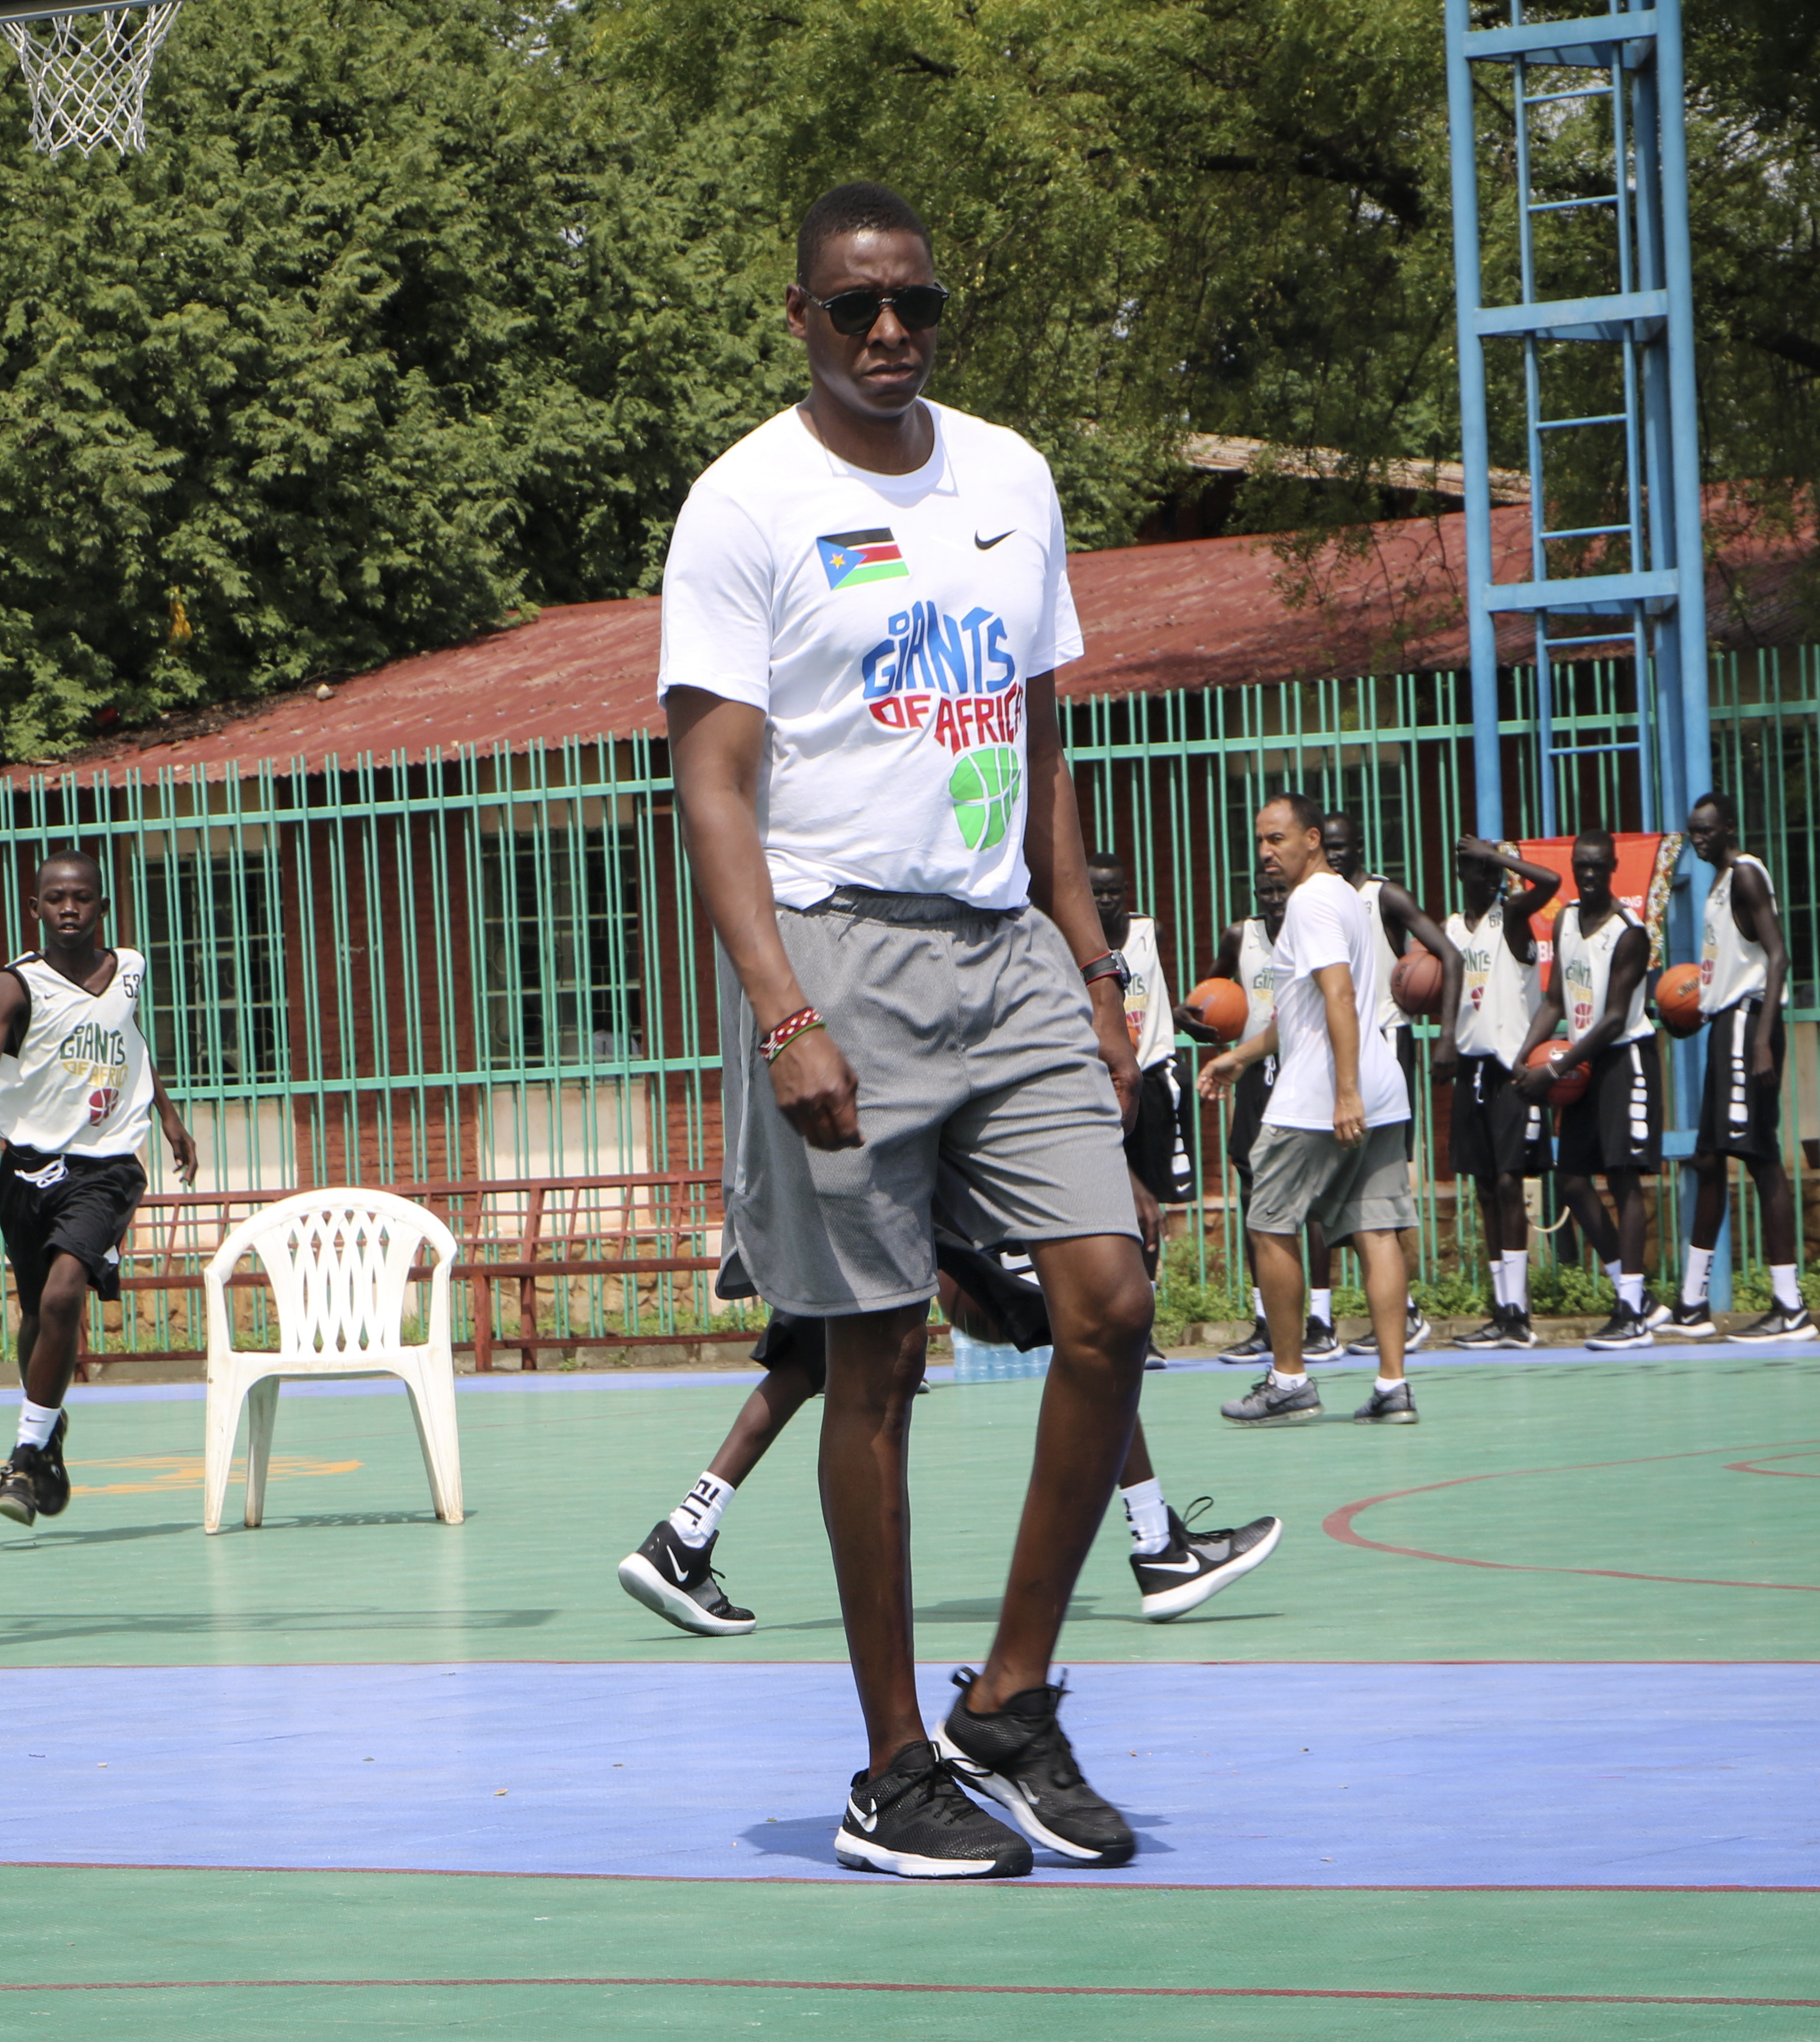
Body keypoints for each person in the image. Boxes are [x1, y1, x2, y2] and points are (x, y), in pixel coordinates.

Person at [659, 181, 1153, 1879]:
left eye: (916, 307)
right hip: (838, 947)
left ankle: (1009, 1696)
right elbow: (712, 783)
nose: (890, 334)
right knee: (874, 1358)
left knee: (1110, 1298)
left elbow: (1042, 734)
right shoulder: (747, 502)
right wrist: (781, 1007)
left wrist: (1091, 969)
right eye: (857, 307)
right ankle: (890, 1765)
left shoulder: (1011, 477)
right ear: (799, 313)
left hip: (1005, 940)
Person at [620, 1239, 1281, 1636]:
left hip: (833, 1154)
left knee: (811, 1353)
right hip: (922, 1144)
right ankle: (1158, 1544)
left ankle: (685, 1531)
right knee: (1085, 1322)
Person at [0, 850, 198, 1526]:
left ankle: (22, 1451)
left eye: (80, 897)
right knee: (39, 1314)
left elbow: (128, 1039)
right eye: (55, 898)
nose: (68, 907)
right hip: (27, 1166)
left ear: (102, 905)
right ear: (36, 908)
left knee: (68, 1287)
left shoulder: (128, 968)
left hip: (105, 1165)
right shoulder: (17, 986)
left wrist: (166, 1112)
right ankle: (49, 1432)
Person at [1197, 793, 1420, 1425]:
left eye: (1278, 839)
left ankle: (1290, 1379)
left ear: (1313, 838)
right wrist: (1240, 1056)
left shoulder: (1311, 900)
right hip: (1381, 1084)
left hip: (1322, 1095)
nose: (1266, 853)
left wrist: (1344, 1089)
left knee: (1269, 1222)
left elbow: (1338, 994)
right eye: (1260, 842)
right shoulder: (1348, 897)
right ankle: (1392, 1386)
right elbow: (1300, 1011)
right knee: (1377, 1230)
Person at [1658, 791, 1815, 1341]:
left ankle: (1789, 1306)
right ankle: (1691, 1303)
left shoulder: (1746, 875)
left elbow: (1778, 956)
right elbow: (1734, 966)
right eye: (1692, 832)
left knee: (1760, 1158)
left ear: (1728, 826)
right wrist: (1698, 1012)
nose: (1698, 840)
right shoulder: (1719, 884)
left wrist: (1763, 1040)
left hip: (1750, 1027)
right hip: (1727, 1025)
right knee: (1707, 1158)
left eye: (1706, 831)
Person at [1314, 809, 1453, 1360]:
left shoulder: (1384, 896)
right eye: (1328, 844)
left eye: (1344, 844)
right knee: (1338, 1192)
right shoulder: (1319, 898)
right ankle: (1404, 1309)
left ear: (1361, 845)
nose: (1337, 852)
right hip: (1339, 1053)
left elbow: (1448, 953)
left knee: (1369, 1188)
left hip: (1385, 1044)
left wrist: (1444, 1036)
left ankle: (1407, 1312)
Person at [1518, 830, 1664, 1350]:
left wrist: (1554, 1071)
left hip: (1623, 1058)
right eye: (1581, 865)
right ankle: (1637, 1297)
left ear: (1613, 868)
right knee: (1572, 1180)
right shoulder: (1565, 920)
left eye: (1598, 866)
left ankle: (1629, 1310)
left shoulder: (1629, 933)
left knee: (1623, 1179)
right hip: (1582, 1063)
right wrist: (1524, 1056)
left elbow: (1612, 1019)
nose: (1587, 874)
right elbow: (1555, 1000)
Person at [1439, 836, 1560, 1349]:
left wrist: (1500, 858)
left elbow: (1552, 883)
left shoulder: (1510, 915)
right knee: (1485, 1187)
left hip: (1512, 1067)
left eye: (1493, 870)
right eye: (1477, 868)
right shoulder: (1448, 928)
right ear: (1460, 874)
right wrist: (1444, 1038)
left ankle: (1519, 1313)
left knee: (1511, 1183)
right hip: (1470, 1065)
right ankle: (1500, 1309)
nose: (1488, 878)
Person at [1177, 860, 1290, 1362]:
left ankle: (1318, 1319)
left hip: (1303, 1068)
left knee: (1307, 1197)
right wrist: (1194, 1018)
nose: (1273, 898)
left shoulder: (1313, 931)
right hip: (1254, 1071)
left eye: (1280, 888)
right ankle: (1265, 1319)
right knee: (1251, 1190)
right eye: (1265, 889)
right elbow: (1207, 999)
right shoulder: (1239, 936)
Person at [1090, 850, 1191, 1367]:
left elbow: (1152, 997)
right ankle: (1114, 1317)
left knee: (1150, 1204)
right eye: (1097, 891)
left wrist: (1179, 1018)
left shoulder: (1150, 931)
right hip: (1099, 1081)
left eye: (1114, 890)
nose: (1106, 899)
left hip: (1150, 1078)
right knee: (1111, 1206)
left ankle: (1144, 1329)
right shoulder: (1074, 942)